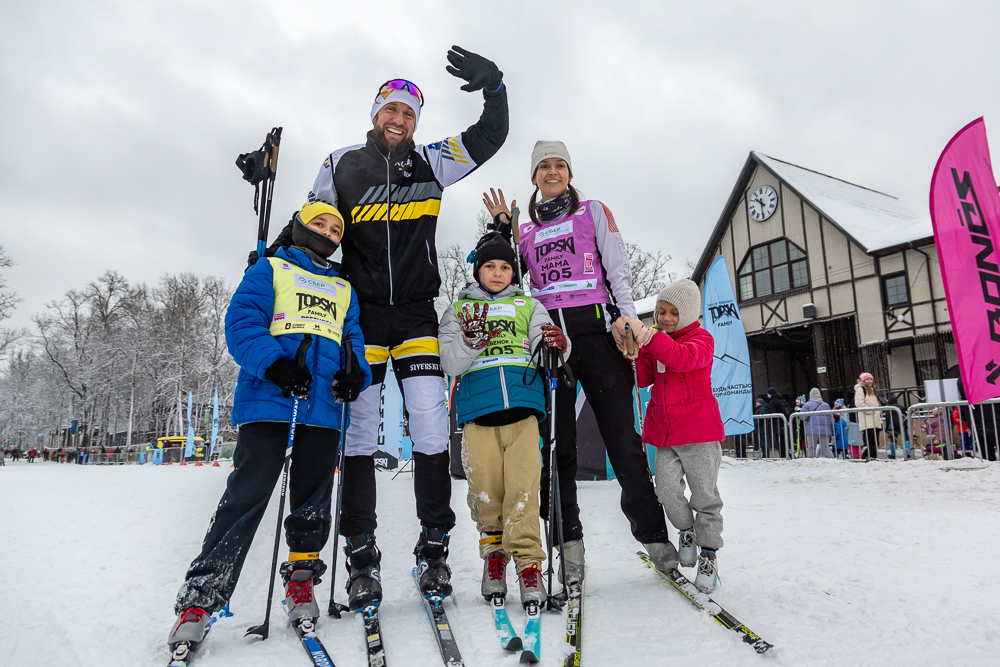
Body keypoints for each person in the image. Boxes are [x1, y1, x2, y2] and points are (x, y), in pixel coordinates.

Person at [260, 48, 508, 606]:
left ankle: (434, 547)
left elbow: (492, 135)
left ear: (416, 122)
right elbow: (309, 228)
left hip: (417, 312)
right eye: (391, 110)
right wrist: (267, 261)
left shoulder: (434, 161)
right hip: (363, 315)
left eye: (409, 114)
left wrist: (495, 86)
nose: (399, 120)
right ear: (376, 113)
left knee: (427, 428)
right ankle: (362, 554)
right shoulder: (341, 162)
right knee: (360, 432)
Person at [168, 203, 371, 654]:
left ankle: (301, 580)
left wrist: (357, 374)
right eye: (319, 223)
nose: (328, 232)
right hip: (270, 401)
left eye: (336, 228)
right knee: (245, 498)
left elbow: (353, 339)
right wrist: (276, 367)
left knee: (313, 502)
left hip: (322, 408)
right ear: (300, 226)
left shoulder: (343, 287)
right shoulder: (270, 269)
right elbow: (241, 325)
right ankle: (201, 599)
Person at [483, 140, 673, 579]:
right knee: (557, 449)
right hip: (551, 344)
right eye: (543, 166)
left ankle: (654, 538)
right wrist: (500, 230)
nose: (552, 172)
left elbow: (618, 266)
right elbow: (504, 280)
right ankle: (569, 543)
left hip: (595, 336)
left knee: (623, 442)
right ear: (533, 177)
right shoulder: (524, 231)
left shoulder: (592, 212)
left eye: (559, 165)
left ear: (569, 173)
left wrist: (625, 315)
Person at [439, 232, 569, 608]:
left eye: (505, 267)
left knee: (524, 491)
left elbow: (551, 349)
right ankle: (494, 559)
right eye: (490, 266)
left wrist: (556, 344)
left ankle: (529, 566)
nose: (497, 273)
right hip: (478, 415)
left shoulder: (529, 304)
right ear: (478, 270)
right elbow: (449, 362)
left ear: (514, 272)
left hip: (524, 411)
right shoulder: (458, 309)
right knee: (486, 492)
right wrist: (470, 342)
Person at [619, 280, 726, 593]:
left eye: (673, 312)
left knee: (705, 497)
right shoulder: (657, 342)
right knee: (665, 491)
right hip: (665, 435)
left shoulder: (701, 340)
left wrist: (650, 338)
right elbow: (643, 379)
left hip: (699, 434)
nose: (665, 318)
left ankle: (709, 553)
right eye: (661, 311)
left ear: (689, 314)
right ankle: (686, 530)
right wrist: (634, 354)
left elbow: (682, 358)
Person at [853, 372, 883, 460]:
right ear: (863, 380)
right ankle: (868, 457)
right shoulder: (861, 389)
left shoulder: (872, 390)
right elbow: (859, 403)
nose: (869, 381)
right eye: (867, 379)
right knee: (871, 442)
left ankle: (870, 457)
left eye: (871, 379)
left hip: (874, 419)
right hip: (868, 419)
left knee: (875, 442)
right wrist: (871, 412)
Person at [800, 388, 834, 458]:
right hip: (824, 430)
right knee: (826, 448)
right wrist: (832, 430)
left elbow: (802, 417)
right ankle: (832, 461)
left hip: (811, 430)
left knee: (811, 448)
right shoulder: (826, 405)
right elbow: (831, 419)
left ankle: (811, 462)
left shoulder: (807, 405)